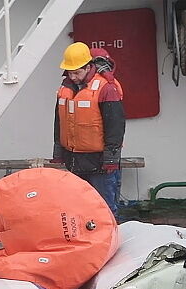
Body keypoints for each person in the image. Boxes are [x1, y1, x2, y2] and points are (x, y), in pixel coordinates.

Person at [53, 42, 125, 218]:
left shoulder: (106, 88)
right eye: (70, 72)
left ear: (88, 66)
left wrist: (111, 159)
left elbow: (115, 125)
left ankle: (110, 241)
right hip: (74, 160)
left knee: (105, 209)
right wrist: (58, 152)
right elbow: (59, 122)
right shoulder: (65, 89)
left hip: (100, 163)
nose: (73, 76)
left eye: (77, 72)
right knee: (79, 210)